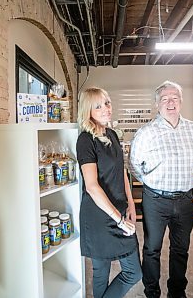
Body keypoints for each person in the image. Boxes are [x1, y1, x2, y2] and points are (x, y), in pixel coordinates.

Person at [129, 81, 193, 298]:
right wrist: (152, 182)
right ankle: (152, 292)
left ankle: (177, 292)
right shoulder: (146, 132)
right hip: (155, 200)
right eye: (165, 98)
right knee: (152, 249)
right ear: (157, 104)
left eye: (174, 98)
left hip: (185, 200)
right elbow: (134, 165)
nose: (170, 102)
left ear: (181, 101)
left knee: (181, 249)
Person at [76, 87, 142, 298]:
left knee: (133, 272)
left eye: (107, 103)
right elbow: (92, 186)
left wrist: (130, 204)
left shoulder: (112, 134)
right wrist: (119, 220)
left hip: (120, 209)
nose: (105, 108)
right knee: (100, 273)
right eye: (98, 105)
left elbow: (121, 171)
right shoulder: (85, 140)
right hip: (98, 216)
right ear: (88, 110)